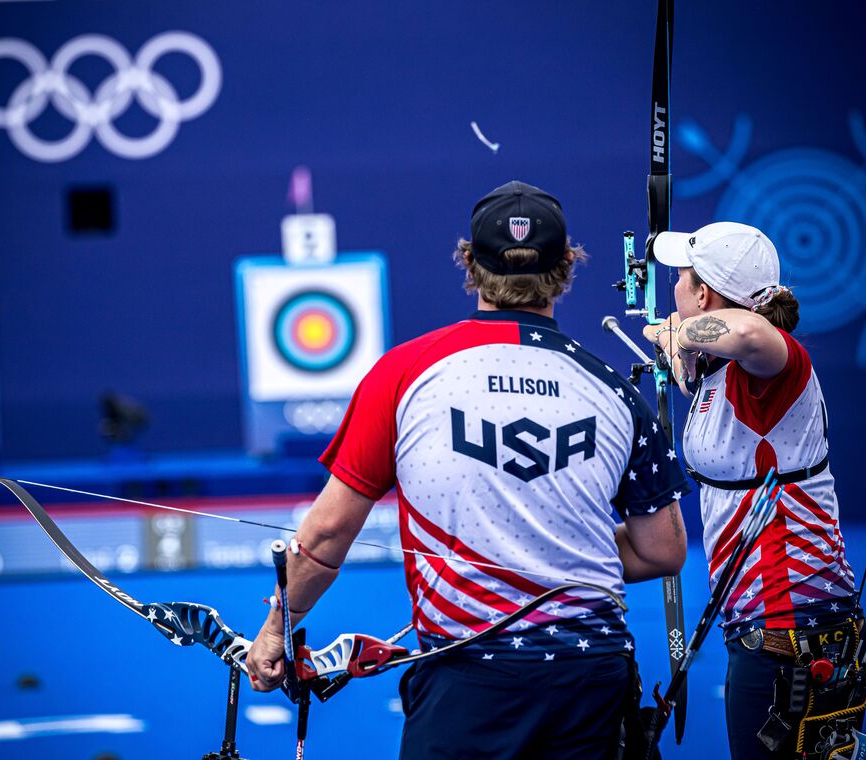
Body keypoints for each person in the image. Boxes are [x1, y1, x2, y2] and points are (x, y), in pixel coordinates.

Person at [246, 180, 688, 759]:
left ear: (469, 265)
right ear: (566, 268)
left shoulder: (403, 374)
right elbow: (663, 551)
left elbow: (326, 535)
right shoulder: (612, 389)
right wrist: (547, 559)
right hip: (591, 681)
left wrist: (276, 628)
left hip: (469, 681)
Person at [644, 222, 862, 760]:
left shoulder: (775, 366)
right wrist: (683, 357)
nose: (672, 285)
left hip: (792, 630)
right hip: (767, 628)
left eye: (682, 278)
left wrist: (675, 331)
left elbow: (748, 334)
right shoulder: (724, 373)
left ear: (703, 295)